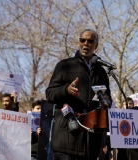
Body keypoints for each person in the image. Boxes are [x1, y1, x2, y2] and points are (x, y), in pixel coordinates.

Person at [46, 29, 112, 160]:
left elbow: (107, 99)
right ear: (78, 43)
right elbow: (49, 93)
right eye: (83, 40)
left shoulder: (101, 72)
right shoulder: (65, 65)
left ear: (96, 45)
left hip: (90, 142)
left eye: (90, 41)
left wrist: (106, 101)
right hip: (67, 138)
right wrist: (66, 90)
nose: (86, 43)